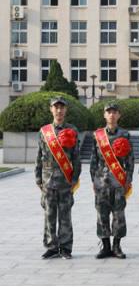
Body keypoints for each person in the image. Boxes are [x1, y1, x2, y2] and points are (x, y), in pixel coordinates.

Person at [35, 97, 81, 259]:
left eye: (62, 108)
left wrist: (74, 179)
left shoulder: (72, 130)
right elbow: (39, 156)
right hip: (48, 181)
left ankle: (66, 248)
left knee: (65, 216)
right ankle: (51, 247)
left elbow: (76, 157)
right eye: (56, 107)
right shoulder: (44, 131)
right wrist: (38, 179)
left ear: (66, 110)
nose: (59, 110)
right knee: (49, 215)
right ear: (51, 109)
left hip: (65, 181)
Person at [90, 103, 134, 259]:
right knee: (101, 214)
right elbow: (93, 160)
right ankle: (105, 246)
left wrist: (127, 180)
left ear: (119, 115)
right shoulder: (98, 135)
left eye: (115, 112)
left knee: (118, 215)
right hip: (101, 182)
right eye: (109, 112)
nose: (112, 115)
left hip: (118, 181)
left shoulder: (125, 135)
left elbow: (130, 160)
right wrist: (94, 181)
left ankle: (117, 245)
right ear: (104, 115)